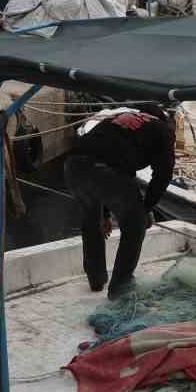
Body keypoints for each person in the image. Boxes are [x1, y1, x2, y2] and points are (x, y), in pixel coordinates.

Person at [63, 107, 176, 296]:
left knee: (92, 219)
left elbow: (105, 155)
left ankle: (96, 280)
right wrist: (145, 209)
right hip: (105, 172)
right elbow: (163, 176)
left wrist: (106, 214)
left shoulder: (116, 120)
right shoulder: (163, 130)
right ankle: (120, 288)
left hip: (72, 169)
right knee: (136, 225)